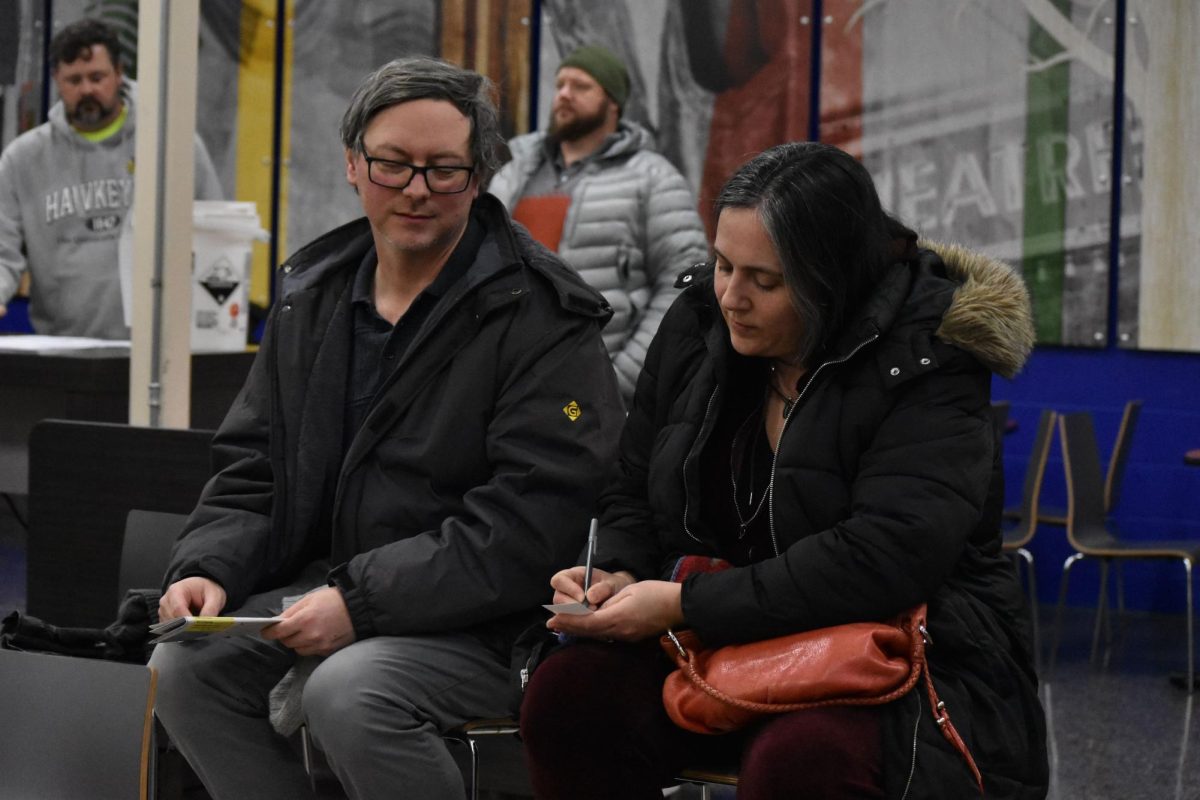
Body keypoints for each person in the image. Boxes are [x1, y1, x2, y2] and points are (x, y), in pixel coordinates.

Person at [149, 57, 624, 800]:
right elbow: (254, 466)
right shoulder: (314, 300)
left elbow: (536, 523)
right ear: (352, 164)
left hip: (491, 626)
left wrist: (361, 604)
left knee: (348, 692)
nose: (415, 190)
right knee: (184, 668)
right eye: (393, 164)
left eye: (443, 170)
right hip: (335, 593)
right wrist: (206, 568)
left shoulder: (540, 317)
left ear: (478, 176)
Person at [521, 142, 1049, 799]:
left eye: (764, 281)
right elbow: (633, 487)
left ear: (832, 279)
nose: (731, 297)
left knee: (803, 763)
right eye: (721, 265)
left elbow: (884, 558)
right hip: (709, 637)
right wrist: (619, 571)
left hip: (891, 649)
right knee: (568, 700)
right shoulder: (696, 324)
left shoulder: (927, 358)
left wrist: (684, 603)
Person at [488, 43, 707, 403]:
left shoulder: (653, 177)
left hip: (598, 387)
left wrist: (619, 378)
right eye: (560, 85)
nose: (564, 95)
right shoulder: (514, 173)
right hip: (509, 380)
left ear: (614, 103)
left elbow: (682, 282)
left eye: (581, 86)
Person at [0, 17, 222, 338]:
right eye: (73, 80)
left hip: (159, 349)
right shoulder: (22, 159)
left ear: (119, 73)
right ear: (56, 80)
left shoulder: (172, 143)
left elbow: (215, 234)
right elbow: (2, 250)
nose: (87, 89)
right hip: (62, 352)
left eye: (97, 77)